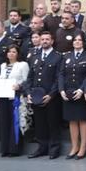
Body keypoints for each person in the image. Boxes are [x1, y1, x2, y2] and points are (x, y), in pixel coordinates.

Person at [26, 31, 63, 159]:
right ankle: (42, 147)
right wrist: (28, 93)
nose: (45, 41)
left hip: (51, 97)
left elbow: (59, 78)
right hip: (36, 97)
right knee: (40, 124)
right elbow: (30, 77)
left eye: (47, 39)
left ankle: (54, 148)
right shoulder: (34, 57)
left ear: (52, 41)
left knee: (52, 123)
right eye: (42, 39)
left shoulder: (58, 57)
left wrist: (51, 95)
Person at [58, 35, 86, 159]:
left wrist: (82, 90)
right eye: (75, 40)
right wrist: (61, 90)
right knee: (72, 120)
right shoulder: (66, 56)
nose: (77, 42)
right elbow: (61, 74)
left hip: (80, 92)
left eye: (79, 40)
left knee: (82, 120)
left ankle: (83, 147)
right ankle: (74, 146)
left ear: (83, 42)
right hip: (68, 92)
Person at [0, 44, 30, 157]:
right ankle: (5, 149)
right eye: (9, 52)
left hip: (16, 97)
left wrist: (19, 86)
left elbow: (27, 80)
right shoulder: (3, 65)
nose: (11, 54)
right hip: (3, 96)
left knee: (15, 122)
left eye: (14, 52)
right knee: (4, 121)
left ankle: (14, 149)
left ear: (18, 54)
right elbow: (0, 79)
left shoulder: (22, 65)